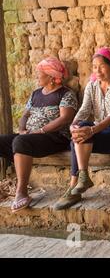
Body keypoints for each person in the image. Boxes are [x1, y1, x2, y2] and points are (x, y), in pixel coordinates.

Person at [53, 47, 110, 210]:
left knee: (80, 136)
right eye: (94, 67)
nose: (97, 70)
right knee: (78, 133)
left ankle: (74, 188)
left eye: (102, 66)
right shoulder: (92, 86)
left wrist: (91, 130)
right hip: (100, 132)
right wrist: (73, 125)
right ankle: (80, 179)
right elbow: (84, 109)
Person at [0, 57, 77, 212]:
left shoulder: (66, 94)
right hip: (30, 137)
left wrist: (41, 130)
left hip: (55, 137)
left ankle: (21, 192)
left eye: (39, 74)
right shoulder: (35, 94)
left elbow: (65, 119)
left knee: (21, 143)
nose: (37, 76)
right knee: (4, 140)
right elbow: (25, 116)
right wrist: (22, 130)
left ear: (50, 77)